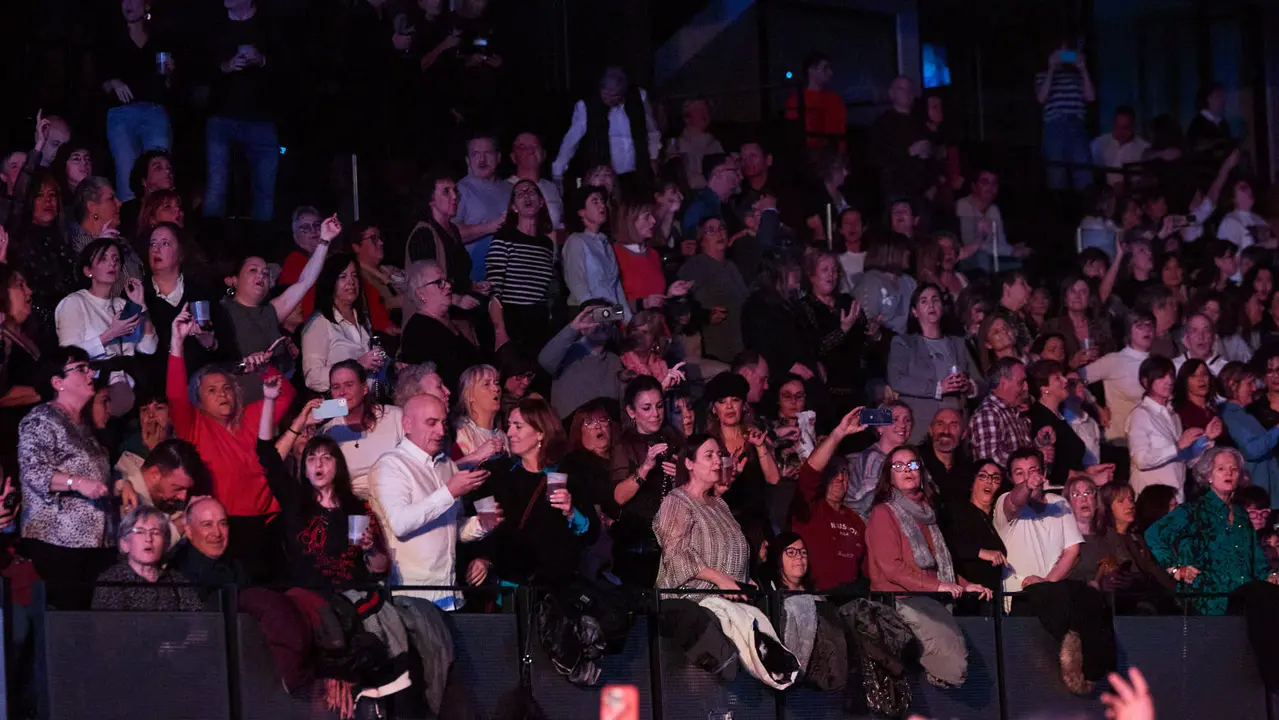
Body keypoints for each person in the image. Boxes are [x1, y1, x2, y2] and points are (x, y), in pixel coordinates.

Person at [166, 304, 294, 581]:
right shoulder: (195, 426)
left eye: (226, 388)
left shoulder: (250, 418)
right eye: (212, 391)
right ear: (199, 400)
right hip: (226, 528)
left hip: (268, 526)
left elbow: (284, 395)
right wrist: (176, 342)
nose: (222, 395)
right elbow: (175, 395)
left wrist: (263, 368)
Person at [865, 444, 987, 688]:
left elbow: (939, 567)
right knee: (952, 663)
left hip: (927, 598)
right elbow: (892, 569)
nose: (907, 470)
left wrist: (965, 584)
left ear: (921, 472)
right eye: (898, 466)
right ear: (889, 475)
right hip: (898, 599)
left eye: (912, 464)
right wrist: (939, 586)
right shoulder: (883, 513)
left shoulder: (928, 516)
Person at [258, 376, 388, 592]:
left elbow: (379, 569)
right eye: (311, 458)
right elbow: (266, 456)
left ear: (337, 465)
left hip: (350, 598)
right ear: (305, 469)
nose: (318, 463)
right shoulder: (295, 501)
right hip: (308, 600)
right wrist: (296, 417)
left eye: (326, 457)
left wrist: (370, 548)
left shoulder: (356, 508)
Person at [367, 393, 492, 607]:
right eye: (431, 423)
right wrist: (449, 492)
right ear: (407, 424)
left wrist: (481, 524)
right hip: (411, 598)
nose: (441, 431)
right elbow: (400, 523)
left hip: (450, 593)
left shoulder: (447, 465)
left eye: (443, 423)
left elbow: (452, 527)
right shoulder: (391, 465)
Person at [18, 346, 117, 609]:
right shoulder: (42, 419)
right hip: (58, 542)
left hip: (95, 543)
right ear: (57, 382)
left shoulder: (85, 426)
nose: (90, 373)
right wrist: (77, 483)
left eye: (89, 367)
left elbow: (98, 473)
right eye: (81, 369)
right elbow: (33, 471)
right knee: (68, 624)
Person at [471, 397, 597, 586]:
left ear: (540, 433)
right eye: (509, 425)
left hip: (554, 590)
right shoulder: (496, 475)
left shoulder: (565, 473)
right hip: (509, 588)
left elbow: (591, 534)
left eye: (518, 426)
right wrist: (483, 559)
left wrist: (571, 511)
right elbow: (484, 529)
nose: (510, 432)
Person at [1146, 446, 1279, 615]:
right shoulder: (1193, 511)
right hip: (1206, 603)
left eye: (1234, 469)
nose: (1228, 474)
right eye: (1221, 469)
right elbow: (1154, 535)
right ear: (1208, 475)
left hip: (1242, 603)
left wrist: (1269, 576)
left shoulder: (1241, 514)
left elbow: (1255, 557)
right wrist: (1174, 569)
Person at [221, 216, 337, 402]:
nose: (261, 275)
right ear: (233, 280)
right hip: (245, 404)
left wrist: (324, 240)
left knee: (338, 406)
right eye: (253, 270)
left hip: (283, 400)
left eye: (266, 273)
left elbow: (305, 281)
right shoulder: (223, 313)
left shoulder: (271, 311)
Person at [56, 239, 157, 416]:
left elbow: (148, 348)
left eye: (116, 259)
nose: (112, 263)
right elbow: (69, 356)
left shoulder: (122, 305)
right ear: (88, 270)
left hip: (128, 388)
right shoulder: (74, 303)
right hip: (95, 394)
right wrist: (111, 334)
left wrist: (142, 307)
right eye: (103, 259)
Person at [203, 0, 279, 220]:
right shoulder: (215, 26)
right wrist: (224, 67)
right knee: (217, 186)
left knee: (264, 190)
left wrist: (262, 60)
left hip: (261, 119)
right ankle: (211, 249)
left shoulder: (268, 24)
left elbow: (289, 67)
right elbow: (197, 67)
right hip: (221, 118)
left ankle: (261, 248)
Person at [653, 434, 750, 595]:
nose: (718, 461)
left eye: (719, 455)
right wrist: (720, 579)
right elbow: (676, 556)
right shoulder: (677, 501)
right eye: (709, 455)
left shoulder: (719, 504)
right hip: (692, 602)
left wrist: (743, 580)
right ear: (689, 463)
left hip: (726, 598)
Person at [98, 0, 173, 204]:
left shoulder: (158, 35)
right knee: (127, 174)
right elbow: (99, 81)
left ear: (146, 5)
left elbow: (167, 84)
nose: (128, 4)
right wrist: (114, 82)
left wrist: (169, 74)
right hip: (121, 113)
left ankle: (160, 225)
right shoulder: (111, 36)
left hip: (154, 111)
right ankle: (131, 228)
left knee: (159, 170)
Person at [611, 376, 683, 587]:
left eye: (659, 406)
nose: (655, 414)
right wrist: (645, 467)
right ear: (631, 412)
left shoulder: (674, 438)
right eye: (647, 408)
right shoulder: (624, 445)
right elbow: (618, 497)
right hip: (638, 538)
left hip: (673, 534)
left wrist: (680, 477)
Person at [888, 283, 980, 444]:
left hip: (956, 425)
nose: (931, 305)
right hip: (921, 427)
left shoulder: (958, 343)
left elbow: (982, 383)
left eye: (935, 300)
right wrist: (937, 388)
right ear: (914, 312)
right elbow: (896, 379)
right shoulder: (904, 343)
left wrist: (969, 386)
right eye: (924, 301)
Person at [793, 408, 869, 591]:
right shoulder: (809, 508)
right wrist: (839, 433)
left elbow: (867, 570)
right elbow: (810, 472)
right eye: (834, 473)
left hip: (851, 601)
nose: (840, 478)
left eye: (844, 473)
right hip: (817, 597)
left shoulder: (856, 521)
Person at [1127, 355, 1220, 502]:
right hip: (1152, 499)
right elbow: (1142, 460)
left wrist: (1206, 438)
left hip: (1176, 496)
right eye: (1161, 377)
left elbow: (1183, 460)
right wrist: (1178, 446)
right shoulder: (1140, 415)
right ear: (1146, 382)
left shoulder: (1173, 415)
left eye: (1171, 375)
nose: (1169, 381)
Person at [552, 66, 661, 187]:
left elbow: (652, 130)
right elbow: (571, 141)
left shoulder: (639, 97)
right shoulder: (586, 106)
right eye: (605, 94)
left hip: (638, 173)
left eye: (614, 95)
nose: (609, 99)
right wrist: (558, 171)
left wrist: (653, 157)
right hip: (605, 178)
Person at [300, 253, 386, 393]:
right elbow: (313, 378)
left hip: (368, 399)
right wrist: (357, 365)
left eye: (354, 276)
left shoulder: (362, 319)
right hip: (336, 406)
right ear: (331, 282)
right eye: (343, 277)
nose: (351, 282)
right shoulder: (319, 323)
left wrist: (389, 364)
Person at [398, 261, 489, 393]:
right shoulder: (419, 330)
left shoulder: (446, 322)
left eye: (446, 281)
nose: (448, 286)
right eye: (439, 283)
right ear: (420, 293)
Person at [486, 180, 556, 350]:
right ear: (514, 207)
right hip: (512, 320)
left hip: (538, 322)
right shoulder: (503, 238)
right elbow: (494, 292)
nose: (527, 195)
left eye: (532, 192)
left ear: (540, 202)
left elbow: (546, 291)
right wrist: (500, 332)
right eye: (520, 193)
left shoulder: (546, 244)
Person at [91, 506, 202, 612]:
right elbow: (107, 628)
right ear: (124, 543)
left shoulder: (176, 581)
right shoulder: (110, 582)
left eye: (155, 532)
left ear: (165, 544)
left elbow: (196, 625)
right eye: (140, 532)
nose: (148, 539)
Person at [800, 249, 869, 414]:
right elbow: (815, 349)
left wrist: (874, 335)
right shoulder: (804, 308)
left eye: (835, 270)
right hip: (828, 396)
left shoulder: (847, 301)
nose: (831, 274)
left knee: (877, 424)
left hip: (858, 389)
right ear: (811, 275)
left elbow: (864, 345)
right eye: (825, 270)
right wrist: (843, 330)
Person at [322, 361, 405, 499]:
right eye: (336, 387)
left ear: (365, 388)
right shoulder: (329, 431)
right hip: (354, 506)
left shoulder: (395, 416)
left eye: (349, 385)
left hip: (396, 497)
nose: (342, 392)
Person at [677, 216, 749, 361]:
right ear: (700, 240)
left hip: (740, 345)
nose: (718, 233)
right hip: (715, 350)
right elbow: (680, 306)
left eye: (722, 228)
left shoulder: (731, 266)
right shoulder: (695, 266)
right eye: (710, 231)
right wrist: (704, 315)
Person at [1080, 310, 1156, 445]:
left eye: (1150, 325)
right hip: (1121, 441)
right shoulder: (1115, 360)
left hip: (1152, 440)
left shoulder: (1158, 363)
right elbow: (1075, 379)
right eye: (1140, 326)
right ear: (1128, 331)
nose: (1147, 330)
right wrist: (1096, 407)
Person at [538, 303, 625, 420]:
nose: (600, 323)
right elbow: (545, 360)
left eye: (606, 315)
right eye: (594, 316)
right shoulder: (566, 353)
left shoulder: (614, 361)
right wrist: (573, 328)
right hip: (570, 431)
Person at [939, 459, 1009, 601]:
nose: (989, 481)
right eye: (983, 476)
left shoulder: (997, 517)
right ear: (972, 481)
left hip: (991, 598)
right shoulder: (957, 510)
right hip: (963, 594)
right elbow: (945, 544)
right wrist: (980, 552)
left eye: (995, 478)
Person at [1035, 40, 1095, 191]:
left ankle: (1088, 210)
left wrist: (1082, 69)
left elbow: (1091, 97)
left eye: (1067, 53)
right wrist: (1051, 69)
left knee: (1084, 173)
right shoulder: (1042, 76)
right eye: (1060, 53)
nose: (1063, 57)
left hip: (1077, 125)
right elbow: (1041, 98)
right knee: (1056, 174)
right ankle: (1058, 210)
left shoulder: (1077, 76)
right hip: (1055, 125)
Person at [562, 185, 630, 319]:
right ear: (581, 211)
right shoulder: (576, 241)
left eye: (603, 201)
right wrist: (597, 315)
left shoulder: (605, 243)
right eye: (595, 201)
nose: (602, 206)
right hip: (586, 316)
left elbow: (616, 288)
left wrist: (627, 319)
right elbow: (577, 284)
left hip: (608, 316)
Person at [0, 266, 44, 472]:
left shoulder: (30, 336)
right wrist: (43, 390)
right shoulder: (3, 342)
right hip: (10, 443)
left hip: (34, 440)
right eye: (20, 285)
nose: (29, 291)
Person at [1218, 362, 1279, 504]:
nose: (1254, 388)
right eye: (1250, 383)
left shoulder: (1247, 414)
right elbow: (1251, 450)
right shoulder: (1229, 415)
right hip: (1252, 495)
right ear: (1233, 384)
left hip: (1268, 492)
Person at [405, 169, 472, 292]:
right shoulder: (424, 234)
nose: (454, 196)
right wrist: (457, 300)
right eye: (446, 192)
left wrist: (472, 286)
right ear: (431, 199)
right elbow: (426, 284)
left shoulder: (453, 230)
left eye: (455, 191)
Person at [453, 135, 509, 281]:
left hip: (511, 277)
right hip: (477, 279)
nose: (482, 159)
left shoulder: (510, 189)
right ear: (467, 160)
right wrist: (491, 226)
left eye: (488, 153)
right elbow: (449, 233)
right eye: (475, 154)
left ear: (498, 157)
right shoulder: (459, 190)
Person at [868, 76, 930, 201]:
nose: (906, 92)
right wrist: (908, 152)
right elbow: (874, 158)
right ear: (891, 93)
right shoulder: (882, 124)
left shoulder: (920, 123)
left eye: (909, 89)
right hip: (895, 191)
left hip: (921, 192)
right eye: (901, 88)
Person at [968, 358, 1034, 471]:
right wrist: (1026, 466)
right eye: (1021, 382)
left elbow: (1022, 451)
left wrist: (1040, 445)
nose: (1026, 387)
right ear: (1003, 383)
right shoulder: (988, 413)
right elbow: (989, 461)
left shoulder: (1014, 410)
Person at [854, 234, 916, 336]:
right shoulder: (871, 281)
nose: (908, 253)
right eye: (904, 250)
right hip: (879, 345)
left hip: (905, 345)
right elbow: (867, 322)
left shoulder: (909, 282)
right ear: (892, 253)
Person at [784, 52, 847, 150]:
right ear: (811, 70)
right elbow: (794, 134)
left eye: (830, 68)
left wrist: (841, 153)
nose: (830, 73)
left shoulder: (835, 99)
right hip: (807, 154)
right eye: (825, 68)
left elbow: (841, 131)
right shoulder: (796, 100)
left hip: (832, 155)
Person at [451, 364, 506, 465]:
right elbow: (448, 473)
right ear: (469, 395)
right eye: (486, 384)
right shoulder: (461, 432)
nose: (496, 388)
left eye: (496, 383)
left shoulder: (502, 436)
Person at [508, 132, 564, 229]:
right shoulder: (504, 188)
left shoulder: (552, 188)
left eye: (535, 146)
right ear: (513, 157)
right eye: (522, 147)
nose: (530, 150)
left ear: (543, 154)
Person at [1091, 106, 1150, 188]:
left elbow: (1147, 180)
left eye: (1125, 128)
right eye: (1117, 126)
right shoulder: (1098, 144)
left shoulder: (1144, 148)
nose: (1120, 131)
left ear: (1133, 126)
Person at [1172, 358, 1218, 433]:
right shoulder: (1181, 414)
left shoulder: (1213, 412)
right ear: (1184, 381)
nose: (1201, 379)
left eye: (1204, 374)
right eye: (1193, 376)